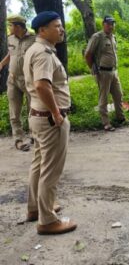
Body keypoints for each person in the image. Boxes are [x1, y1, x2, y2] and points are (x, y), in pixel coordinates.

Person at [23, 12, 76, 234]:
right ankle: (47, 220)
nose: (61, 29)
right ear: (43, 30)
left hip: (38, 116)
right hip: (49, 119)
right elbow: (42, 85)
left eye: (61, 26)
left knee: (39, 164)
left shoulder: (34, 49)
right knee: (51, 170)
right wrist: (56, 114)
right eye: (57, 26)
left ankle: (36, 208)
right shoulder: (43, 53)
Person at [84, 16, 125, 132]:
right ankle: (106, 123)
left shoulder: (113, 37)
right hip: (103, 72)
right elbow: (88, 54)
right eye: (108, 24)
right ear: (103, 24)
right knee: (104, 98)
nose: (111, 26)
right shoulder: (97, 37)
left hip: (113, 71)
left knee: (118, 95)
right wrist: (92, 67)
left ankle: (120, 118)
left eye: (112, 24)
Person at [1, 14, 35, 150]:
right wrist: (2, 64)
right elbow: (11, 54)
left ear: (18, 26)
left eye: (10, 25)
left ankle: (34, 135)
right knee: (14, 112)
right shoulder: (10, 39)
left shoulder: (34, 39)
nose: (9, 28)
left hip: (29, 79)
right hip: (13, 79)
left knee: (33, 110)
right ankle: (19, 140)